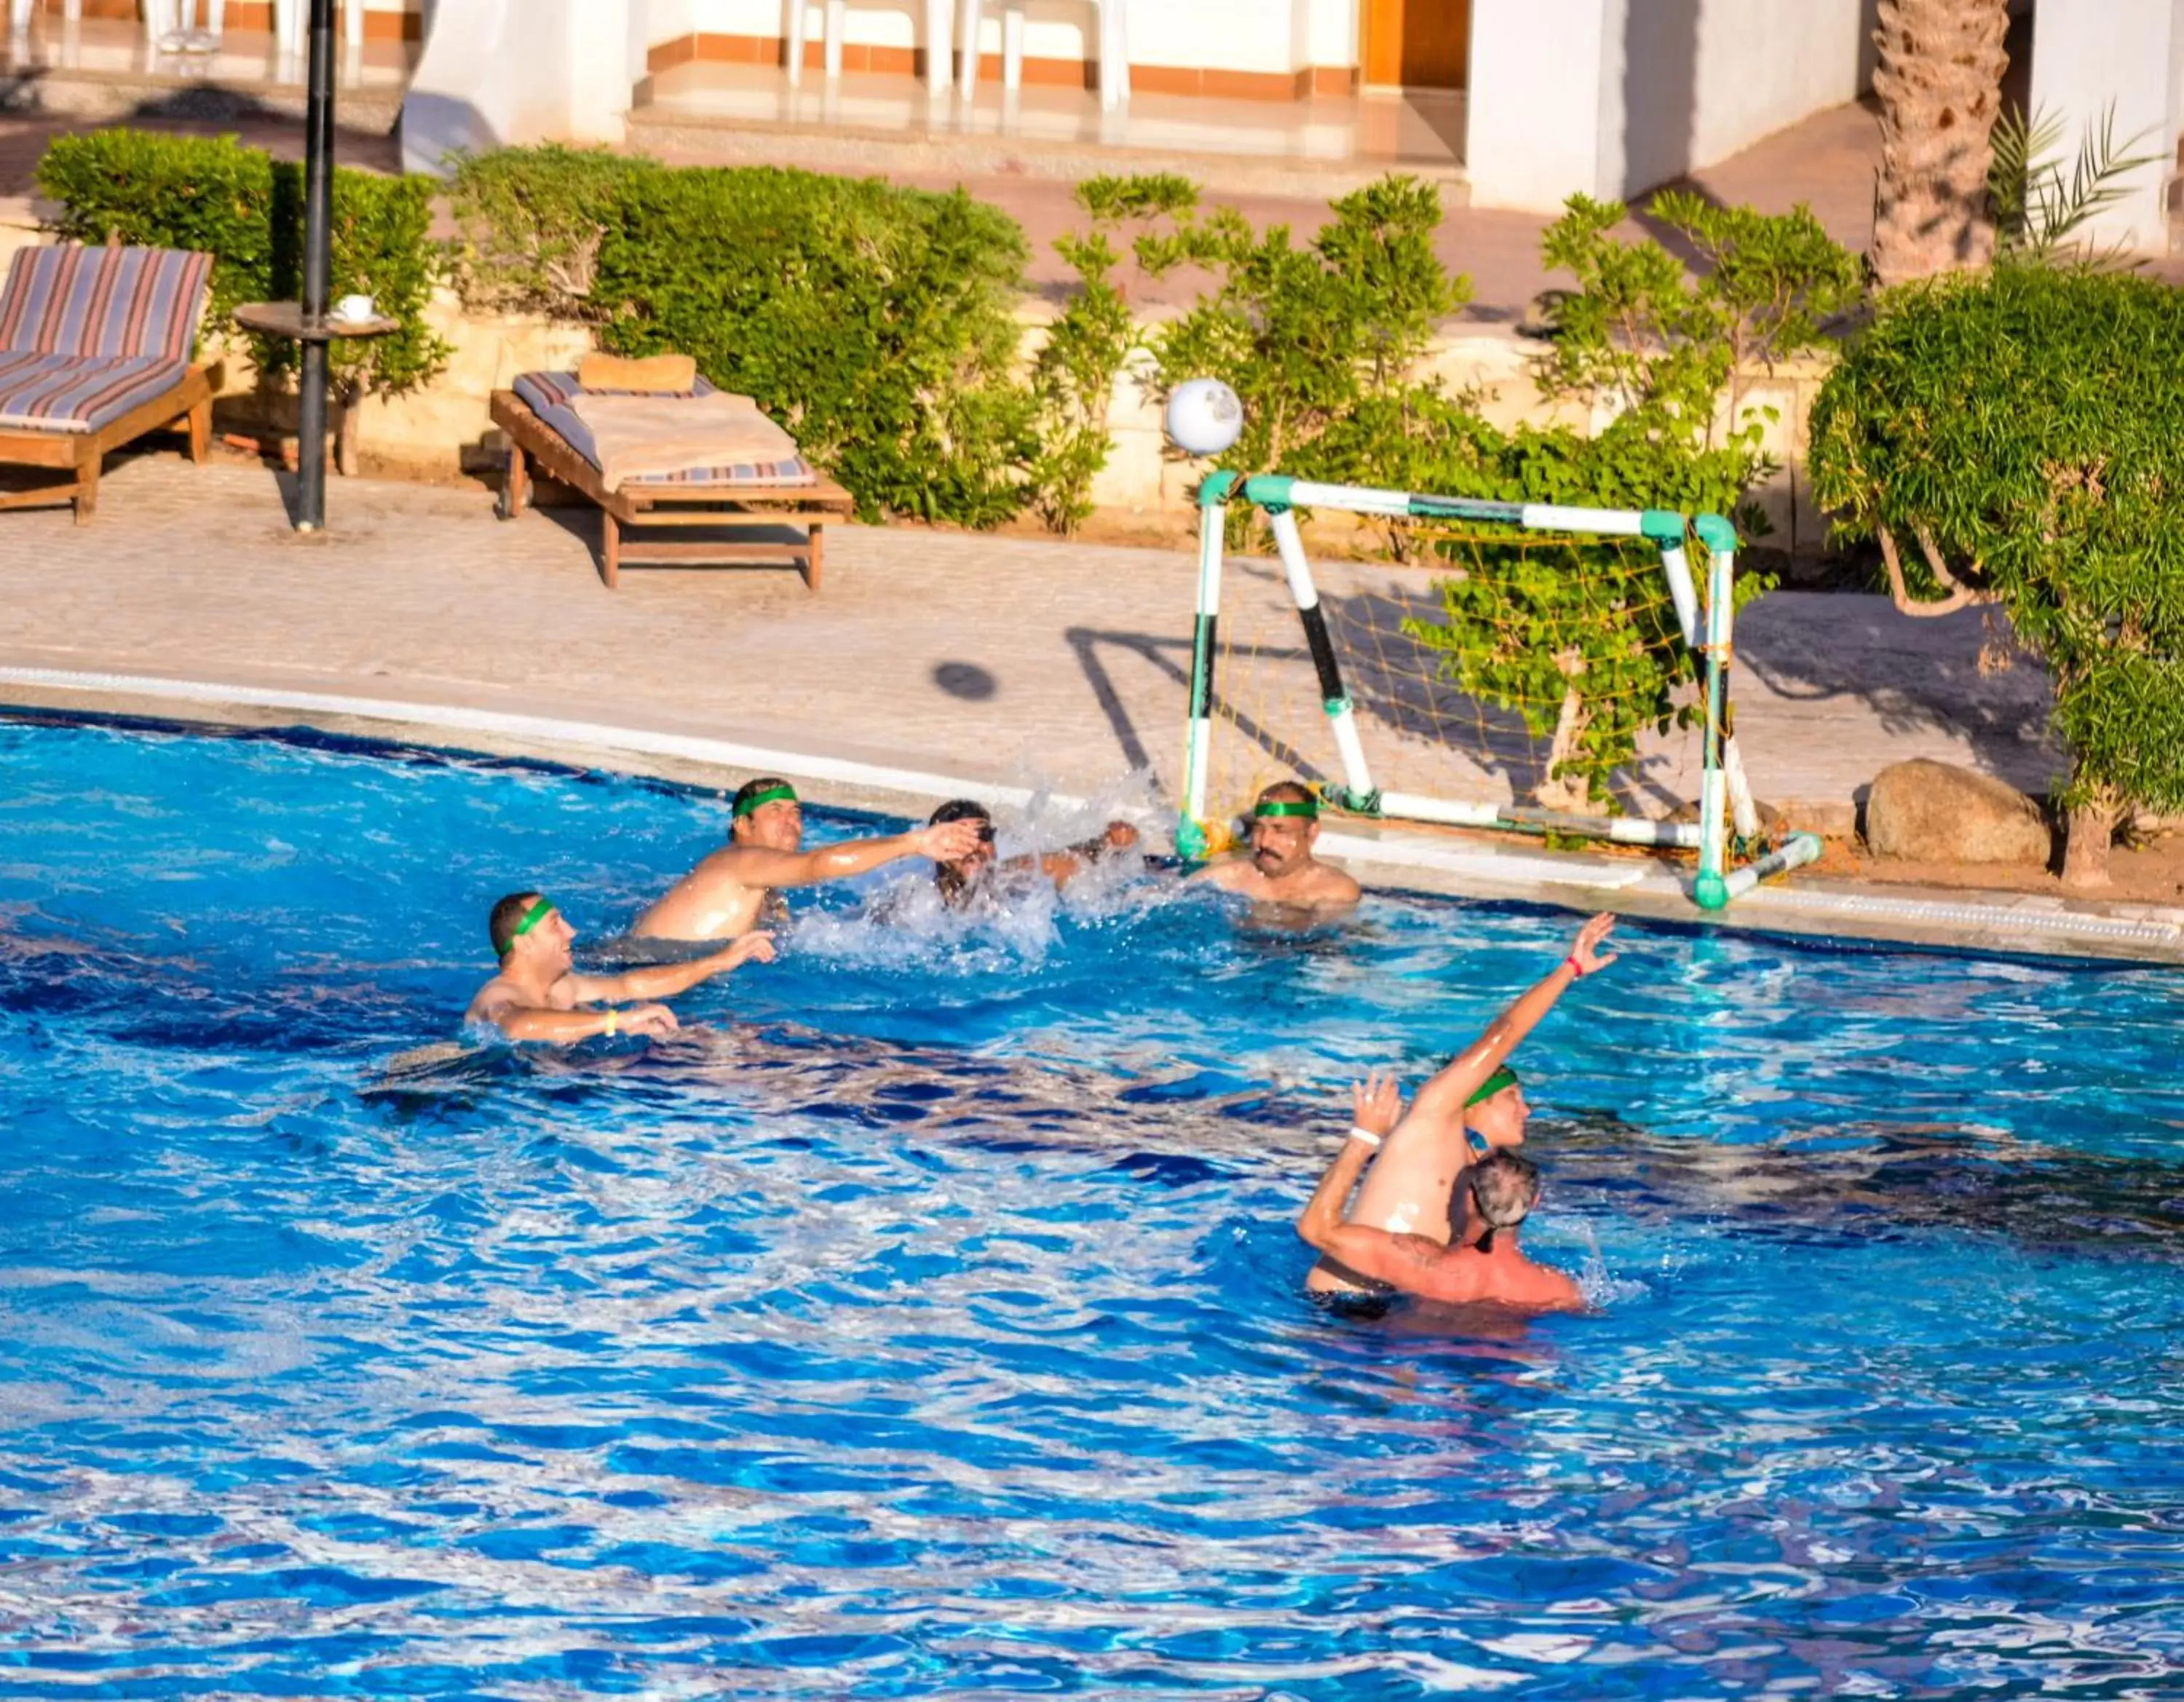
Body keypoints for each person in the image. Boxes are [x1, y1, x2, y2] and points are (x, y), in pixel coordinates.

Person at [1304, 911, 1619, 1302]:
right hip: (1337, 1305)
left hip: (1395, 1315)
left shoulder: (1480, 1172)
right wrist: (1569, 969)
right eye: (1512, 1096)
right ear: (1473, 1098)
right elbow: (1504, 1033)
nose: (1527, 1110)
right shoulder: (1434, 1115)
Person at [1297, 1071, 1584, 1312]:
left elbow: (1316, 1229)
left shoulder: (1421, 1265)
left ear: (1470, 1197)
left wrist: (1364, 1137)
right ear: (1535, 1202)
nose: (1527, 1109)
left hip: (1382, 1337)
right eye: (1513, 1096)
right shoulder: (1559, 1290)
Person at [631, 777, 987, 941]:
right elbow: (820, 865)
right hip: (648, 977)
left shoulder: (768, 890)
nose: (792, 821)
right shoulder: (740, 860)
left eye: (797, 811)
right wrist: (916, 842)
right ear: (742, 824)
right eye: (775, 810)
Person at [466, 890, 776, 1041]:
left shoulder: (564, 986)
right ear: (525, 944)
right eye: (555, 925)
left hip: (551, 1083)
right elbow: (518, 1026)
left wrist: (720, 961)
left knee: (715, 1040)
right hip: (483, 1089)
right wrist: (617, 1021)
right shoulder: (499, 996)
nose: (571, 932)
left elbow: (632, 984)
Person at [924, 798, 1142, 909]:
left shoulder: (1012, 875)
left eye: (985, 835)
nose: (975, 846)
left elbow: (1068, 857)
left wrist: (1109, 841)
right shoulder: (920, 903)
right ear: (936, 850)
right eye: (961, 837)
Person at [1190, 782, 1361, 914]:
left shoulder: (1334, 891)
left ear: (1312, 832)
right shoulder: (1226, 878)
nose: (1264, 842)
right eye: (1259, 828)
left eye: (1280, 830)